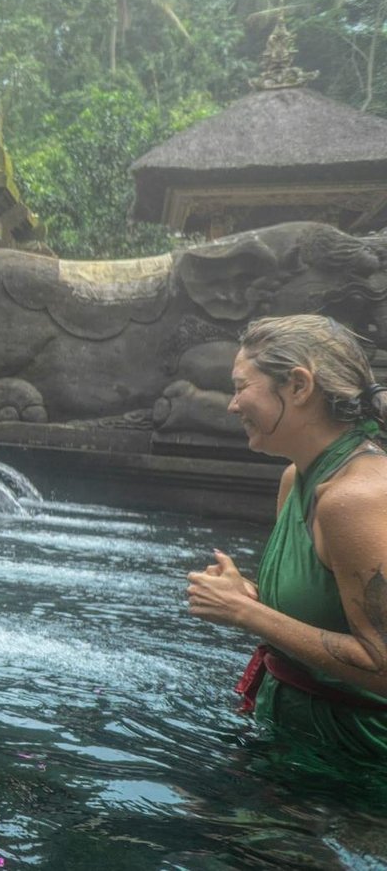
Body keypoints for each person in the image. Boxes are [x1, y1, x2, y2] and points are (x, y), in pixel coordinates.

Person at [187, 314, 387, 757]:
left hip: (361, 766)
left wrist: (245, 612)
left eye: (241, 386)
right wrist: (252, 596)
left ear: (298, 386)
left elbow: (383, 662)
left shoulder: (355, 498)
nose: (232, 405)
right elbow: (325, 617)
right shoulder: (296, 479)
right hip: (297, 745)